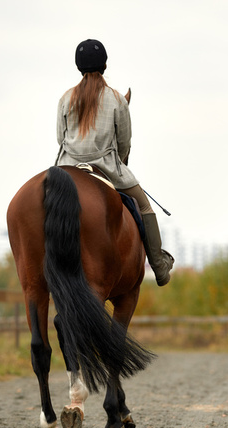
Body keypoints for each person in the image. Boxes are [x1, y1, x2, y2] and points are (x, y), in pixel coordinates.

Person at [55, 39, 174, 286]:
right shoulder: (117, 100)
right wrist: (119, 162)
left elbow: (60, 138)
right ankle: (160, 267)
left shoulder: (65, 99)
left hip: (66, 169)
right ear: (105, 65)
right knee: (144, 207)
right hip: (106, 168)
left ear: (78, 67)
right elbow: (124, 143)